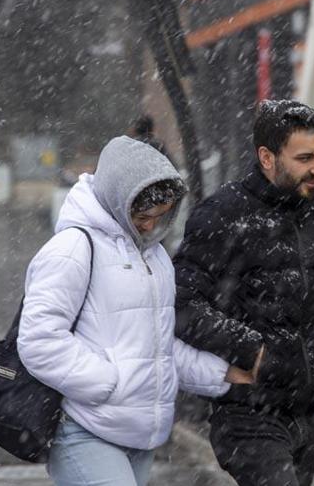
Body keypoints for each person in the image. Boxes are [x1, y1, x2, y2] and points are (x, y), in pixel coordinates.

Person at [18, 135, 254, 486]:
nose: (150, 226)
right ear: (119, 199)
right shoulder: (72, 249)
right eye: (142, 216)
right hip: (84, 430)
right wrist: (108, 383)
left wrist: (220, 374)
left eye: (160, 217)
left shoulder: (154, 257)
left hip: (139, 438)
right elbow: (38, 340)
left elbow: (159, 346)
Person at [174, 99, 314, 486]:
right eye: (305, 158)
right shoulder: (222, 215)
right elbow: (181, 304)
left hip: (312, 415)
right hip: (249, 417)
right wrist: (253, 352)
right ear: (267, 157)